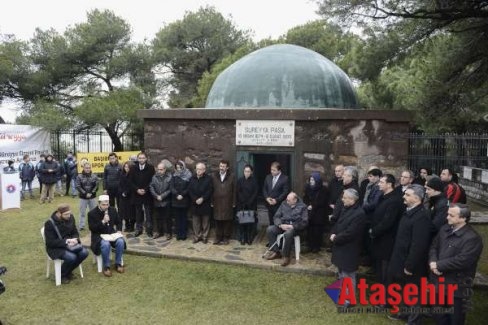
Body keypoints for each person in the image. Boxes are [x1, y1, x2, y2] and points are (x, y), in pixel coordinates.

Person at [429, 204, 483, 325]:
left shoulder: (472, 238)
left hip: (457, 286)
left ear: (463, 218)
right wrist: (433, 263)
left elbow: (463, 260)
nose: (447, 217)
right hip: (438, 281)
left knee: (455, 319)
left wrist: (438, 265)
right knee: (438, 314)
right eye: (448, 214)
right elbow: (434, 247)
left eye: (451, 215)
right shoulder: (444, 229)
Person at [387, 184, 432, 324]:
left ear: (417, 198)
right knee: (406, 289)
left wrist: (410, 265)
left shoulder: (421, 217)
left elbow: (418, 245)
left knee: (414, 293)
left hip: (412, 263)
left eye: (407, 195)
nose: (403, 197)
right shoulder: (408, 212)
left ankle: (414, 320)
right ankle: (404, 313)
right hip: (401, 258)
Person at [330, 189, 366, 306]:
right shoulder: (346, 208)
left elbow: (351, 233)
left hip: (349, 248)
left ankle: (349, 300)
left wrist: (336, 238)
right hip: (341, 247)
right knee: (341, 272)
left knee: (348, 275)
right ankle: (342, 293)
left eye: (345, 197)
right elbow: (338, 223)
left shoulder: (359, 214)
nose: (342, 199)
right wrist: (333, 233)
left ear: (352, 199)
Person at [369, 174, 404, 287]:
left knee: (385, 270)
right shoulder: (383, 196)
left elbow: (387, 222)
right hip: (379, 239)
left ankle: (385, 299)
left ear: (389, 184)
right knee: (379, 268)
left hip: (387, 241)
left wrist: (373, 231)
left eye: (382, 182)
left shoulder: (394, 200)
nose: (379, 184)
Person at [43, 203, 89, 284]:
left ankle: (67, 271)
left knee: (84, 252)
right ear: (59, 213)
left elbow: (75, 231)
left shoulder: (71, 217)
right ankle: (61, 275)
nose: (69, 216)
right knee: (72, 257)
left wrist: (75, 239)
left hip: (71, 245)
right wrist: (66, 242)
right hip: (55, 248)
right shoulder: (49, 223)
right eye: (66, 214)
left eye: (69, 213)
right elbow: (50, 242)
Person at [264, 192, 308, 267]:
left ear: (295, 200)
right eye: (287, 200)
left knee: (288, 233)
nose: (287, 202)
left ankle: (286, 256)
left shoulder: (303, 207)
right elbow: (276, 216)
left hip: (295, 228)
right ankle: (276, 252)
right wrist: (280, 225)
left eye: (289, 200)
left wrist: (292, 226)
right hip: (283, 225)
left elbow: (304, 222)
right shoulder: (283, 204)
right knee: (270, 229)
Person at [88, 195, 126, 277]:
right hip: (98, 235)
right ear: (99, 204)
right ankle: (106, 267)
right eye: (103, 205)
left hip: (111, 233)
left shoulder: (112, 210)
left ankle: (118, 264)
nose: (106, 207)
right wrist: (103, 221)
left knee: (120, 241)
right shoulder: (92, 213)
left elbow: (119, 222)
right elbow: (92, 228)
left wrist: (119, 230)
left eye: (107, 204)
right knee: (106, 244)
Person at [128, 152, 155, 237]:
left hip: (147, 194)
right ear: (137, 159)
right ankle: (138, 229)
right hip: (137, 194)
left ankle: (149, 230)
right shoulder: (133, 168)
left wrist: (145, 189)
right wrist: (137, 190)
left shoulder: (150, 168)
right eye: (140, 158)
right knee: (138, 213)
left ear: (146, 159)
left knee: (148, 213)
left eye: (143, 158)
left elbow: (152, 180)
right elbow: (130, 181)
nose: (141, 159)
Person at [303, 172, 330, 253]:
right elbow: (305, 197)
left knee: (317, 230)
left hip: (319, 213)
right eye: (310, 179)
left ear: (317, 181)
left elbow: (322, 201)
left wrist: (313, 206)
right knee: (310, 229)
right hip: (310, 212)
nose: (311, 181)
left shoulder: (323, 189)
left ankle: (316, 246)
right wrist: (307, 205)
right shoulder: (308, 188)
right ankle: (310, 245)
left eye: (313, 180)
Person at [188, 162, 213, 244]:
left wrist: (202, 198)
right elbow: (190, 190)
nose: (198, 171)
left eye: (200, 169)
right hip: (195, 203)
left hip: (205, 203)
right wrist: (195, 199)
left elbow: (210, 190)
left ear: (204, 170)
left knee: (205, 222)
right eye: (197, 169)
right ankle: (197, 236)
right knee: (196, 222)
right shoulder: (192, 178)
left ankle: (204, 236)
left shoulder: (208, 179)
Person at [211, 160, 235, 245]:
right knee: (218, 220)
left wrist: (234, 202)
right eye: (220, 166)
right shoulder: (214, 176)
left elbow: (234, 190)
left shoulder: (231, 176)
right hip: (217, 202)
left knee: (227, 220)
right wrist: (212, 201)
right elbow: (211, 189)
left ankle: (226, 237)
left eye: (223, 166)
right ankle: (218, 237)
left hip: (227, 202)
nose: (221, 168)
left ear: (227, 167)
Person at [236, 164, 258, 245]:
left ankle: (249, 238)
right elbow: (238, 191)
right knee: (241, 222)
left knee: (250, 222)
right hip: (241, 205)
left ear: (251, 172)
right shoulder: (240, 180)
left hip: (251, 205)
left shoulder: (254, 181)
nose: (246, 173)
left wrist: (249, 201)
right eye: (245, 171)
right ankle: (242, 237)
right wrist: (243, 201)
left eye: (248, 171)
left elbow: (255, 192)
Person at [150, 162, 172, 240]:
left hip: (166, 201)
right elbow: (151, 187)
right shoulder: (154, 177)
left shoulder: (169, 177)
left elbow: (170, 189)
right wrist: (156, 196)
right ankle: (158, 232)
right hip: (157, 201)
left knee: (167, 218)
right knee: (157, 218)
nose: (159, 171)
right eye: (158, 169)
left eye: (161, 169)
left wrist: (162, 196)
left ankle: (168, 233)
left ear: (165, 169)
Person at [262, 161, 289, 227]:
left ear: (279, 170)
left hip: (279, 205)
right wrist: (267, 198)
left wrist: (276, 200)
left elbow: (285, 192)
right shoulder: (268, 177)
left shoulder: (285, 178)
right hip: (269, 204)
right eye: (271, 169)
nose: (272, 171)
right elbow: (264, 189)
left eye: (274, 170)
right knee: (271, 222)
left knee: (278, 223)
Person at [171, 160, 191, 241]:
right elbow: (171, 187)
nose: (178, 169)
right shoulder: (174, 175)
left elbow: (189, 187)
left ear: (183, 167)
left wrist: (182, 194)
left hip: (184, 200)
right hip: (176, 200)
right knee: (177, 218)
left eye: (180, 167)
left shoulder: (188, 175)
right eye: (177, 168)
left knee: (183, 218)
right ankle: (178, 234)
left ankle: (183, 234)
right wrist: (176, 194)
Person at [75, 163, 99, 231]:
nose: (88, 169)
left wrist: (91, 193)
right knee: (82, 212)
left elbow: (96, 186)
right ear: (83, 168)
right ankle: (81, 226)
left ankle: (94, 224)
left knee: (94, 211)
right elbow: (78, 186)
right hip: (83, 197)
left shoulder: (94, 176)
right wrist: (85, 193)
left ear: (90, 168)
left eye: (89, 168)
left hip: (92, 197)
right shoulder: (79, 176)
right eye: (86, 168)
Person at [118, 161, 135, 232]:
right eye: (125, 167)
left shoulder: (133, 175)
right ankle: (127, 225)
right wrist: (122, 192)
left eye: (127, 167)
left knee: (131, 212)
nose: (126, 168)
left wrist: (126, 192)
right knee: (124, 212)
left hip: (130, 196)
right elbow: (120, 184)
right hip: (123, 196)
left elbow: (131, 185)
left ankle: (131, 226)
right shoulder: (122, 174)